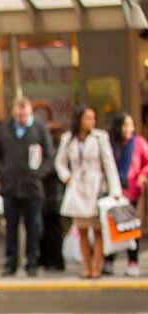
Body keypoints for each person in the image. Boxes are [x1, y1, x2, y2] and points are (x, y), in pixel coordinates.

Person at [0, 97, 56, 276]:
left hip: (32, 186)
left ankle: (32, 262)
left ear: (30, 113)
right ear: (14, 113)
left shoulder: (39, 128)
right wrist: (3, 172)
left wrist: (39, 173)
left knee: (32, 227)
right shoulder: (5, 128)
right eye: (19, 115)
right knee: (11, 227)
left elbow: (50, 154)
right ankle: (10, 262)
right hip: (10, 186)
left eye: (25, 115)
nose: (22, 119)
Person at [54, 106, 122, 278]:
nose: (91, 121)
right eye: (88, 118)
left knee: (98, 229)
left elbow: (109, 164)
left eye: (93, 118)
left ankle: (97, 267)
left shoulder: (100, 137)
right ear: (79, 119)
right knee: (82, 229)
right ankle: (87, 267)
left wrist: (115, 190)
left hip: (96, 187)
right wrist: (67, 177)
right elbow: (59, 162)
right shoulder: (68, 139)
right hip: (77, 187)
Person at [103, 112, 148, 277]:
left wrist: (143, 175)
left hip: (131, 192)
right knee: (111, 228)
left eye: (131, 125)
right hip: (113, 193)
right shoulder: (110, 144)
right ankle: (108, 260)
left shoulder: (139, 143)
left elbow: (146, 163)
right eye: (126, 125)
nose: (130, 128)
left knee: (130, 227)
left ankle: (133, 262)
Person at [38, 126, 67, 272]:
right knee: (46, 229)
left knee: (53, 229)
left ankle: (54, 260)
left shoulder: (53, 151)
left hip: (53, 195)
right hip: (48, 195)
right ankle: (48, 260)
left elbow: (51, 169)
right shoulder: (46, 149)